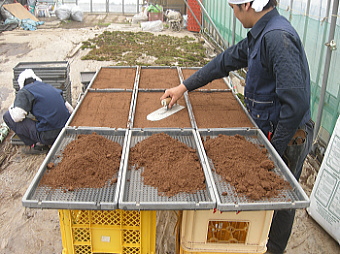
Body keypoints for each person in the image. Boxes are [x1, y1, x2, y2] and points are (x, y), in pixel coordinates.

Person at [161, 0, 314, 253]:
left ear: (247, 5)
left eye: (233, 8)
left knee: (283, 198)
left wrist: (270, 156)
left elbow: (295, 105)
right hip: (270, 131)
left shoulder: (277, 37)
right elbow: (224, 61)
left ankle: (273, 248)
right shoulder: (261, 34)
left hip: (288, 139)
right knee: (266, 194)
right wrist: (183, 87)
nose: (234, 14)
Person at [3, 69, 74, 154]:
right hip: (66, 131)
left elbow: (17, 117)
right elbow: (71, 109)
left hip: (49, 135)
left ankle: (37, 146)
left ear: (22, 84)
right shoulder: (48, 87)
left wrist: (13, 107)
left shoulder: (25, 91)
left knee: (7, 116)